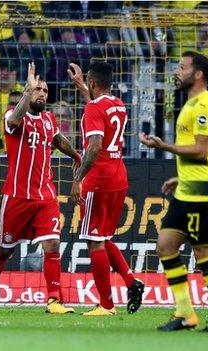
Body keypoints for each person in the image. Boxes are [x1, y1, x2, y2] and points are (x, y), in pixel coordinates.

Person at [139, 51, 208, 333]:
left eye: (182, 68)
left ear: (198, 75)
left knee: (204, 252)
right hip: (190, 188)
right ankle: (185, 314)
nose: (176, 72)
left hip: (204, 192)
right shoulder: (192, 104)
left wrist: (164, 147)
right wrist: (181, 178)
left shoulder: (204, 104)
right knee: (166, 245)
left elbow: (203, 150)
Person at [0, 63, 81, 314]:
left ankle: (54, 300)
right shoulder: (12, 115)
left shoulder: (48, 119)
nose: (42, 94)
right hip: (16, 197)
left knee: (53, 245)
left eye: (45, 90)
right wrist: (27, 91)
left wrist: (77, 156)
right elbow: (15, 120)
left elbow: (58, 140)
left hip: (45, 195)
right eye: (38, 90)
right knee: (3, 251)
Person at [68, 60, 144, 315]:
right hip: (118, 175)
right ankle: (132, 282)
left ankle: (106, 304)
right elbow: (97, 105)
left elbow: (95, 145)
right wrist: (81, 86)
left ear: (93, 82)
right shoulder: (118, 104)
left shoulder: (92, 109)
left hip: (99, 178)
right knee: (103, 237)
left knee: (93, 241)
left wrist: (79, 177)